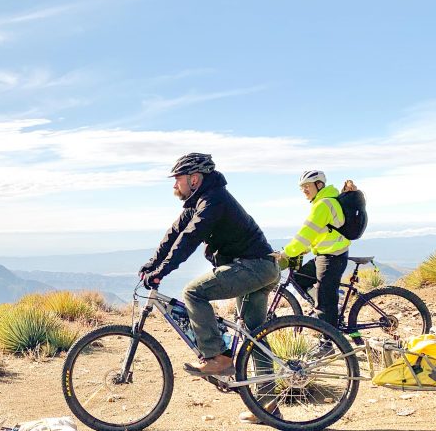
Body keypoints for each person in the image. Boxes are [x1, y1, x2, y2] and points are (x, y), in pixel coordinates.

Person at [139, 153, 280, 379]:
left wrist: (161, 272)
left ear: (194, 179)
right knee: (254, 338)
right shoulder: (200, 201)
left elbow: (190, 239)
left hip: (253, 267)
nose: (175, 184)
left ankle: (217, 358)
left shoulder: (214, 201)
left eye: (178, 178)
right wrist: (152, 264)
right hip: (261, 267)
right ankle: (268, 406)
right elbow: (175, 234)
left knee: (193, 293)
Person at [277, 170, 350, 329]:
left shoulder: (323, 204)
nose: (304, 190)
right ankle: (333, 304)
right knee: (300, 278)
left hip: (331, 257)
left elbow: (305, 234)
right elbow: (321, 232)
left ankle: (327, 342)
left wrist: (286, 253)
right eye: (302, 187)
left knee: (325, 304)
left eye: (307, 186)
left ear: (319, 185)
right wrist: (306, 249)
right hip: (327, 255)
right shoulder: (325, 201)